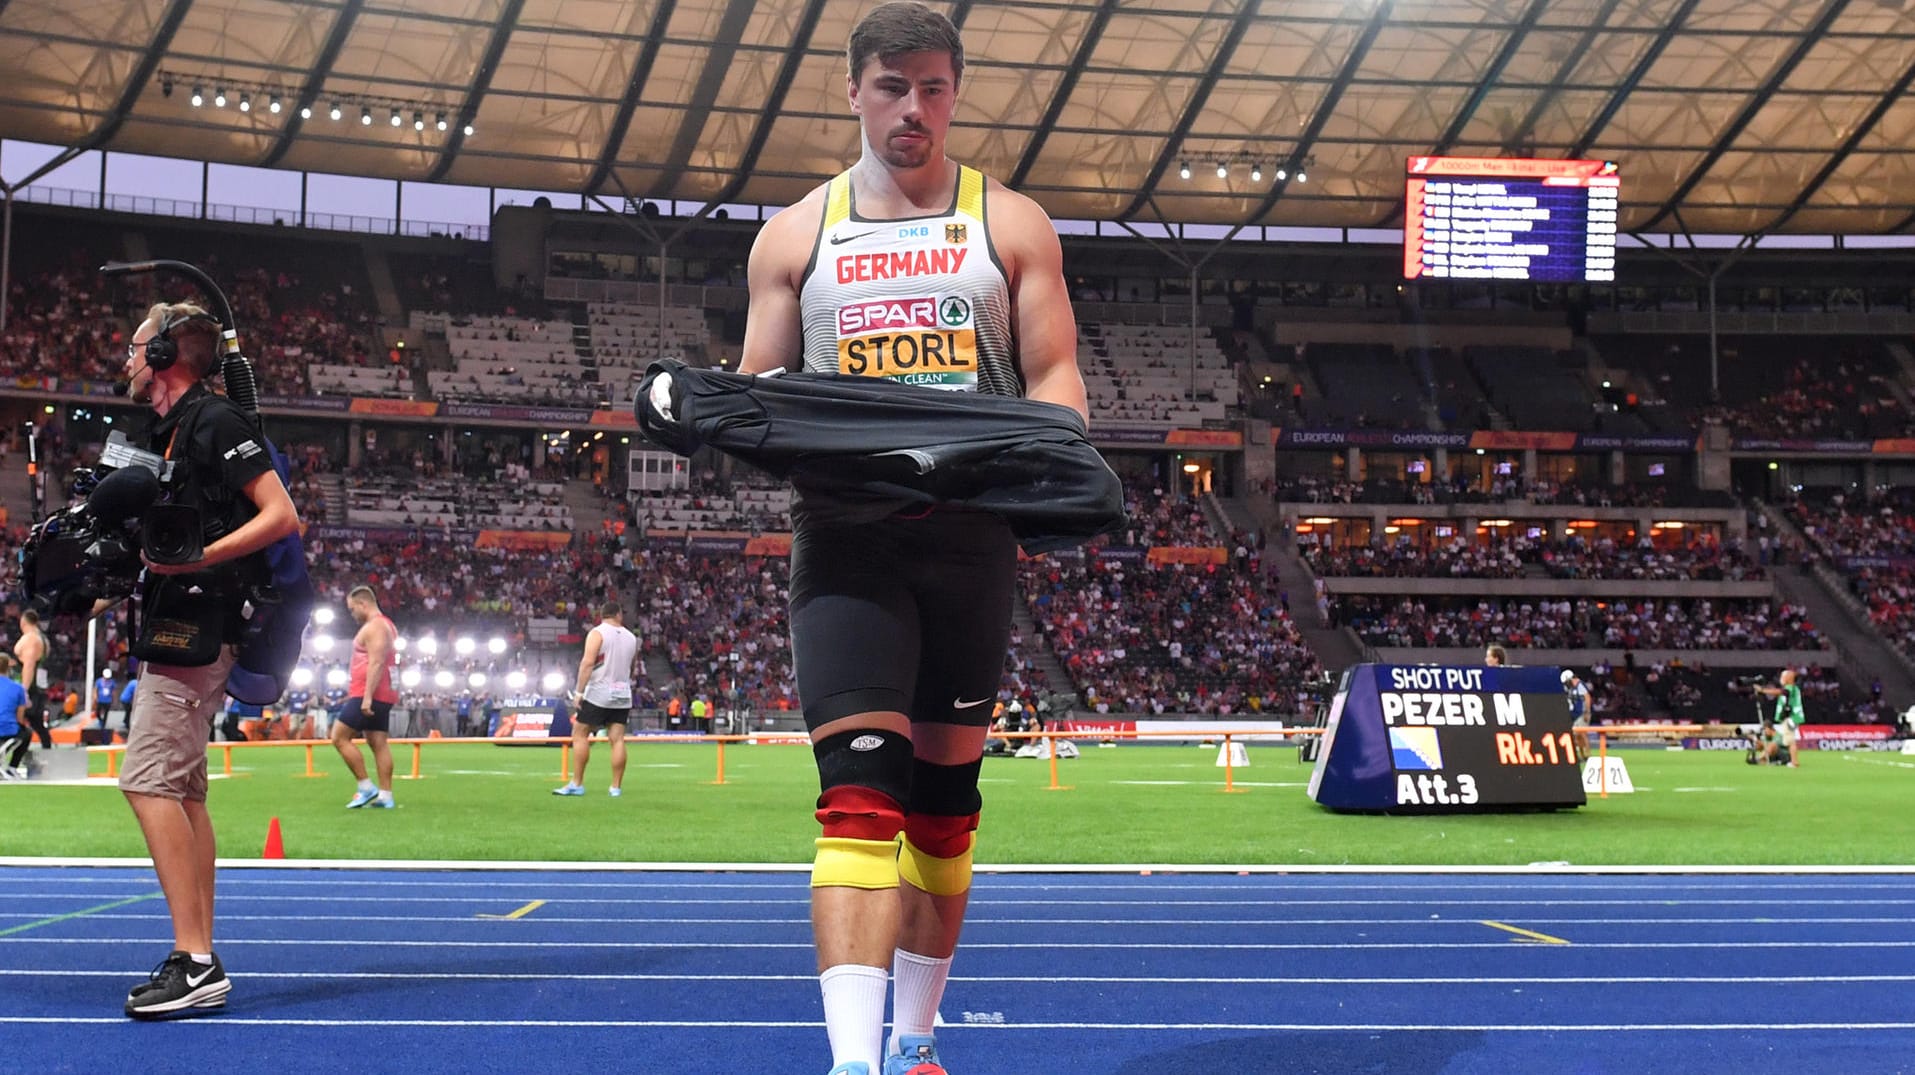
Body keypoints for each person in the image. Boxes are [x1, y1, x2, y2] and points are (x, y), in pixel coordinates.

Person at [736, 6, 1089, 1072]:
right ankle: (853, 1064)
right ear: (852, 91)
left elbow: (1056, 379)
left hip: (970, 542)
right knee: (855, 799)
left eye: (933, 87)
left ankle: (918, 1043)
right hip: (847, 540)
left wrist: (1054, 447)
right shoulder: (796, 233)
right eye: (893, 86)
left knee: (943, 812)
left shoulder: (1011, 223)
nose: (913, 109)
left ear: (956, 91)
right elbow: (758, 395)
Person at [111, 301, 301, 1019]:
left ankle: (194, 960)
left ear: (164, 355)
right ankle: (198, 954)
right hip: (181, 622)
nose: (126, 360)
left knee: (146, 781)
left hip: (198, 627)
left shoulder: (214, 419)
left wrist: (195, 556)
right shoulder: (172, 431)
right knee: (185, 791)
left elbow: (281, 514)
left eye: (134, 348)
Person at [554, 599, 639, 797]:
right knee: (617, 739)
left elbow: (587, 663)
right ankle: (615, 787)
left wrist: (579, 692)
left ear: (602, 616)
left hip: (599, 690)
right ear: (619, 615)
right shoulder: (631, 638)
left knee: (580, 733)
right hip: (622, 692)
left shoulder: (597, 632)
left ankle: (577, 783)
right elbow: (632, 667)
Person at [332, 585, 400, 808]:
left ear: (363, 604)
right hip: (381, 692)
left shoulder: (376, 626)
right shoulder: (387, 625)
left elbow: (377, 661)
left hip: (368, 693)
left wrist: (367, 697)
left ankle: (365, 786)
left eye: (353, 609)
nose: (353, 615)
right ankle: (385, 796)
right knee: (377, 742)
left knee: (339, 737)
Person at [13, 610, 53, 751]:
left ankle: (17, 754)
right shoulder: (41, 638)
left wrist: (23, 691)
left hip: (29, 686)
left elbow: (29, 665)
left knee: (14, 721)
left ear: (23, 622)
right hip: (37, 685)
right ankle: (45, 751)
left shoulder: (31, 639)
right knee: (36, 723)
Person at [1757, 667, 1805, 768]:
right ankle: (1791, 760)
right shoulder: (1791, 689)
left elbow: (1781, 692)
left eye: (1783, 677)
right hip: (1789, 718)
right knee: (1787, 740)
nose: (1781, 679)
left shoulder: (1790, 688)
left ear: (1788, 678)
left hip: (1791, 717)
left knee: (1791, 740)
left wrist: (1763, 690)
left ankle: (1794, 762)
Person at [0, 655, 30, 779]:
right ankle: (13, 766)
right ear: (8, 668)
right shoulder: (18, 688)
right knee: (26, 733)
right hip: (8, 729)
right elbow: (20, 716)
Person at [1562, 668, 1591, 761]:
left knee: (1582, 734)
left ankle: (1588, 755)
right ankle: (1582, 756)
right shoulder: (1571, 688)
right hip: (1576, 715)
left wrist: (1587, 712)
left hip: (1582, 713)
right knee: (1577, 736)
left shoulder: (1579, 685)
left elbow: (1587, 698)